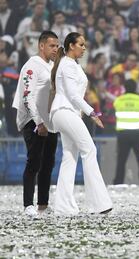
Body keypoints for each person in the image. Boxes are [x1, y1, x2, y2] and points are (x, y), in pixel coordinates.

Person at [49, 32, 112, 215]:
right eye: (81, 44)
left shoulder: (71, 65)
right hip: (64, 110)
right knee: (89, 150)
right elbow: (73, 95)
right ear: (71, 46)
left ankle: (63, 207)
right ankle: (99, 204)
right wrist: (92, 112)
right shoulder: (67, 65)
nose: (84, 48)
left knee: (70, 157)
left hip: (67, 112)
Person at [12, 31, 59, 217]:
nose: (55, 49)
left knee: (48, 163)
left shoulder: (53, 66)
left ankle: (43, 204)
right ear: (41, 46)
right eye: (51, 46)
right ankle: (27, 205)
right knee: (34, 162)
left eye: (57, 46)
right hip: (33, 120)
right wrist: (39, 122)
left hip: (50, 120)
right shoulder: (31, 66)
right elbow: (27, 96)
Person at [113, 79, 139, 185]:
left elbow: (115, 109)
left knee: (121, 160)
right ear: (135, 87)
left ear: (125, 87)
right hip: (138, 133)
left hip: (123, 134)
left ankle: (118, 183)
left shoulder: (118, 100)